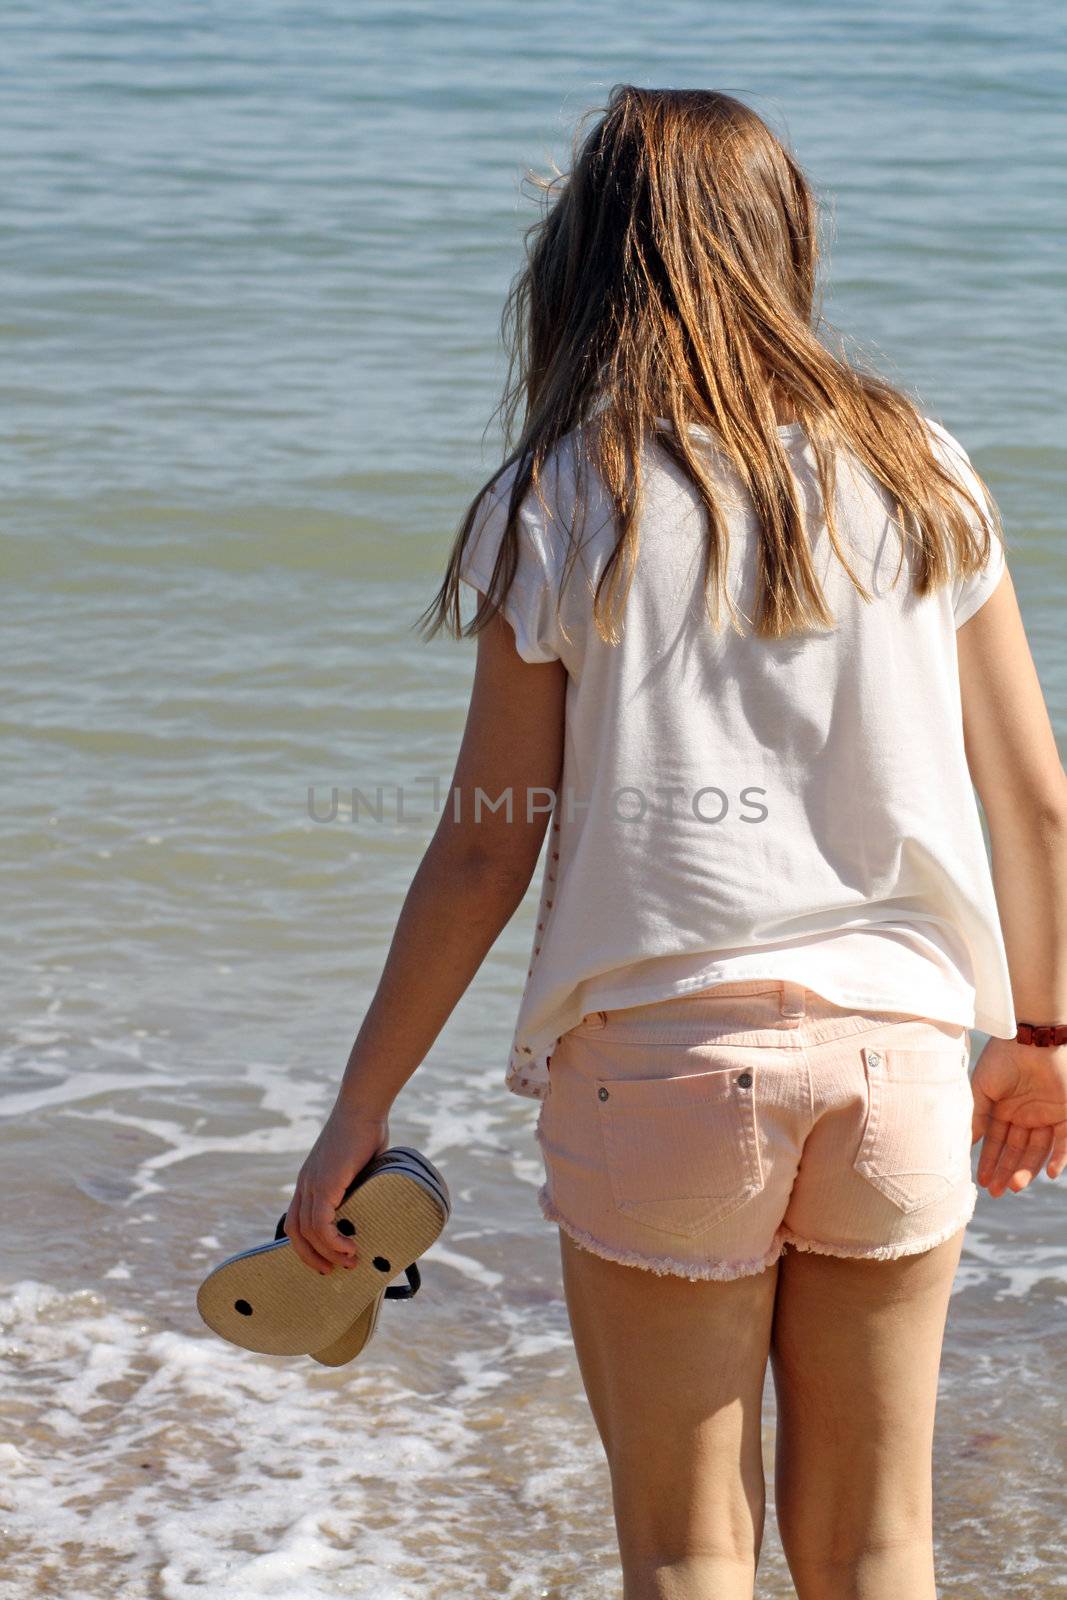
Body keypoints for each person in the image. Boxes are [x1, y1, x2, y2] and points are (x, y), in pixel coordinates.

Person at [283, 86, 1067, 1600]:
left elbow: (483, 848)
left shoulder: (567, 492)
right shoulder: (926, 470)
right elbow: (1036, 796)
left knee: (686, 1544)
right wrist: (1043, 1031)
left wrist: (356, 1112)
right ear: (788, 245)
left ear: (588, 260)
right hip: (902, 1059)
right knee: (879, 1545)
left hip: (664, 1075)